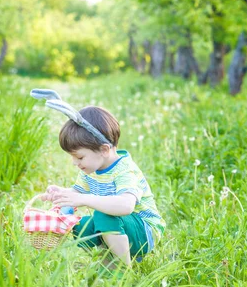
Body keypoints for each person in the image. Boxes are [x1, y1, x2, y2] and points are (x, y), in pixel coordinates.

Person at [31, 89, 165, 269]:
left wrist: (85, 199)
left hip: (144, 232)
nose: (74, 163)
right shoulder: (91, 170)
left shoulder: (124, 170)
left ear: (104, 150)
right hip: (123, 226)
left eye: (79, 157)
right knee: (76, 225)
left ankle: (122, 271)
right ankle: (107, 263)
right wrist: (61, 194)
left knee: (103, 214)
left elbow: (126, 206)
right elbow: (77, 193)